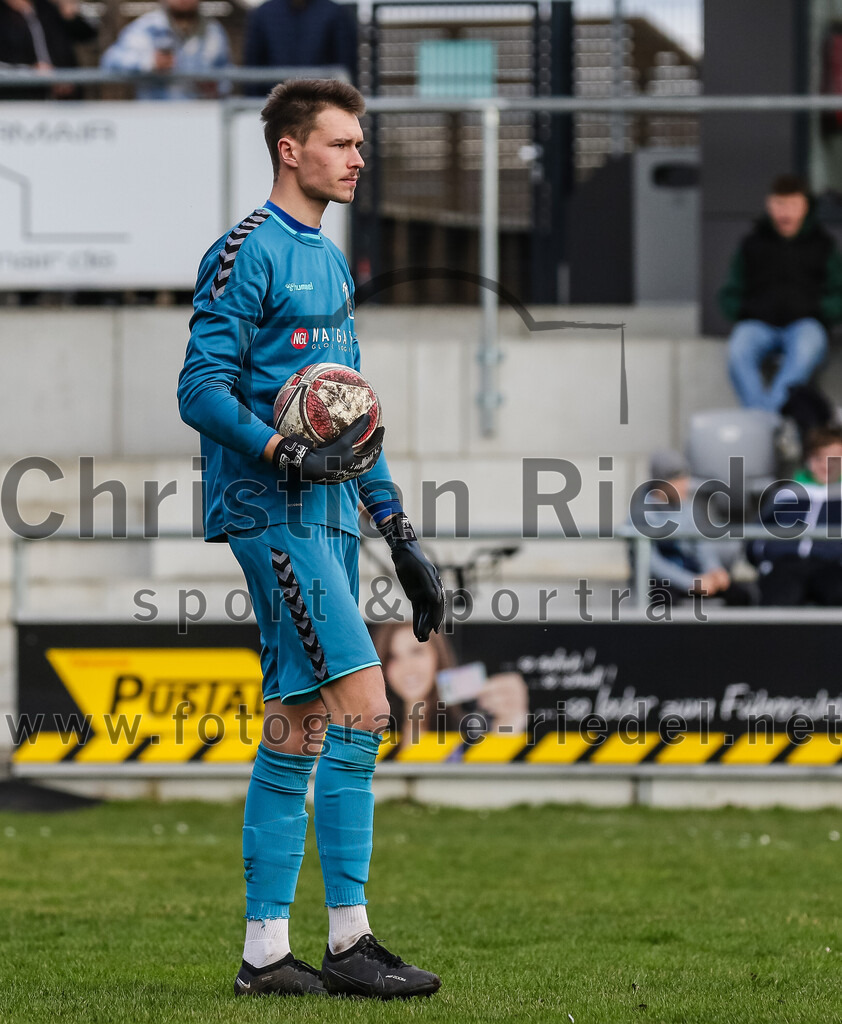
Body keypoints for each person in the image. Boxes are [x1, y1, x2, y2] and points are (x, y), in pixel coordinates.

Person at [177, 79, 445, 1000]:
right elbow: (200, 390)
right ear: (291, 150)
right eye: (341, 143)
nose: (357, 157)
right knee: (367, 706)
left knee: (298, 728)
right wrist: (275, 449)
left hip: (329, 516)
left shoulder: (329, 261)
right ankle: (350, 944)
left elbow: (351, 417)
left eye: (360, 143)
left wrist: (398, 527)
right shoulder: (246, 251)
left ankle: (263, 956)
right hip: (271, 514)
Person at [719, 173, 842, 413]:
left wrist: (818, 310)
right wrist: (744, 310)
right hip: (758, 324)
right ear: (769, 205)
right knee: (738, 351)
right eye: (779, 204)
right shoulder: (752, 243)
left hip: (805, 324)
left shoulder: (823, 245)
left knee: (806, 349)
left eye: (793, 205)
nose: (785, 213)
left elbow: (839, 293)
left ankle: (765, 420)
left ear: (806, 207)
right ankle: (770, 421)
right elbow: (729, 293)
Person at [373, 622, 529, 747]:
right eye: (393, 657)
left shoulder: (470, 727)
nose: (407, 668)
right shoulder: (375, 728)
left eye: (416, 652)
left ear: (437, 656)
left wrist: (511, 721)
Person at [636, 450, 753, 606]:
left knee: (740, 595)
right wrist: (691, 582)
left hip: (692, 576)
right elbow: (652, 564)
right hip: (665, 582)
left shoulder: (686, 508)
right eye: (679, 479)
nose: (685, 484)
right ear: (663, 483)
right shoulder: (640, 514)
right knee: (663, 597)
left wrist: (714, 570)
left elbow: (700, 545)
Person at [748, 426, 842, 606]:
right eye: (819, 458)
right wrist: (765, 563)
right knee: (778, 603)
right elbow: (757, 533)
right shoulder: (786, 494)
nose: (826, 465)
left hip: (832, 567)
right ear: (808, 460)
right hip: (785, 565)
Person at [100, 0, 229, 100]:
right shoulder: (147, 28)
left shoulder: (213, 31)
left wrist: (214, 85)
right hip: (156, 118)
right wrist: (150, 62)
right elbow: (110, 61)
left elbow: (228, 76)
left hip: (200, 119)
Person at [243, 0, 357, 93]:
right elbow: (252, 66)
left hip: (320, 105)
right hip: (274, 106)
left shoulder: (335, 14)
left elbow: (345, 66)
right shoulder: (263, 14)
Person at [0, 0, 97, 99]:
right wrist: (30, 72)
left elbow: (89, 33)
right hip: (18, 101)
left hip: (63, 100)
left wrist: (70, 14)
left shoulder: (47, 9)